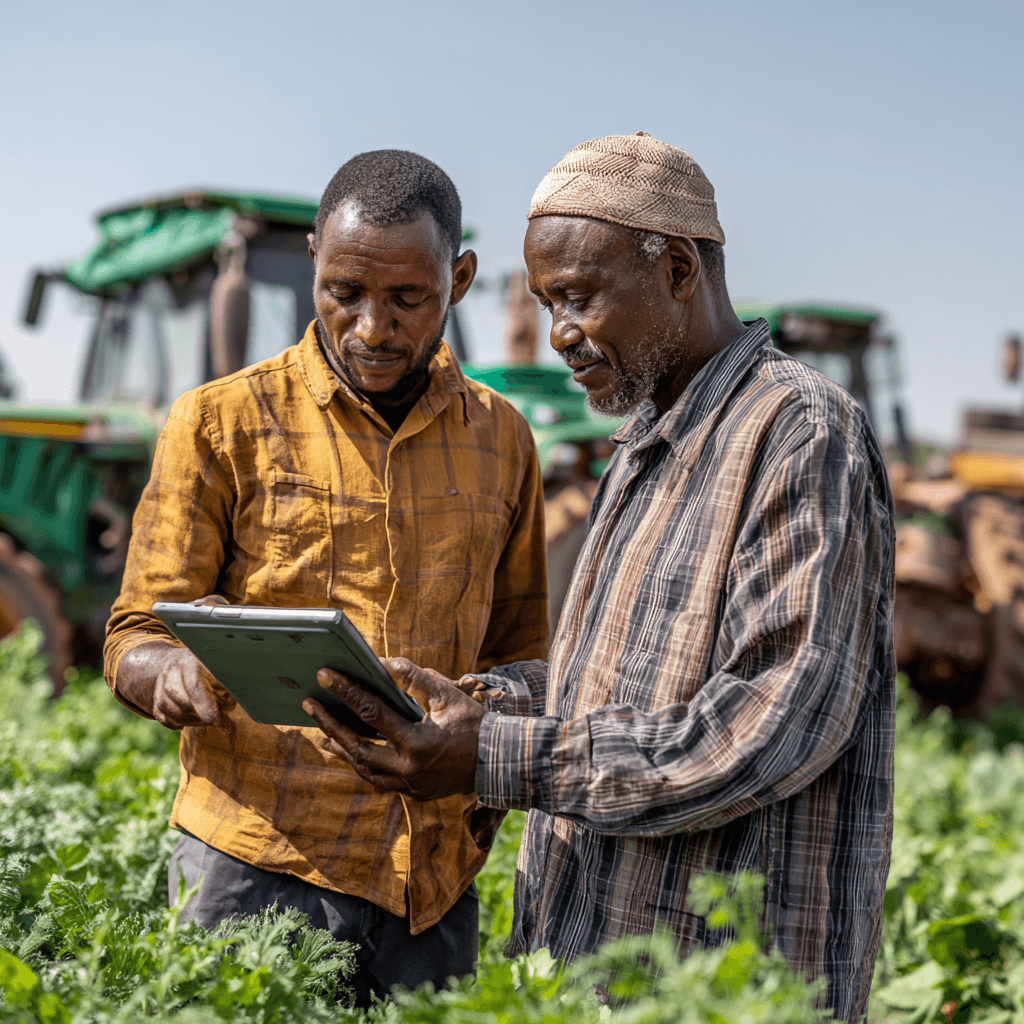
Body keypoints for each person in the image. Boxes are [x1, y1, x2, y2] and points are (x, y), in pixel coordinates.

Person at [303, 134, 896, 1022]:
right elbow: (610, 684)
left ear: (680, 270)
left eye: (579, 298)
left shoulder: (799, 431)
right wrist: (480, 706)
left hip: (715, 994)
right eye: (547, 304)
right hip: (590, 975)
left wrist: (492, 755)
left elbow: (770, 724)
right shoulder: (643, 442)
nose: (560, 336)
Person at [103, 150, 550, 1006]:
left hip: (431, 878)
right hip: (254, 864)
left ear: (458, 281)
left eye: (407, 299)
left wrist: (490, 735)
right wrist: (171, 671)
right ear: (314, 260)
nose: (372, 327)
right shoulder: (219, 422)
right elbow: (134, 634)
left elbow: (523, 647)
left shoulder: (504, 439)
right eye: (345, 291)